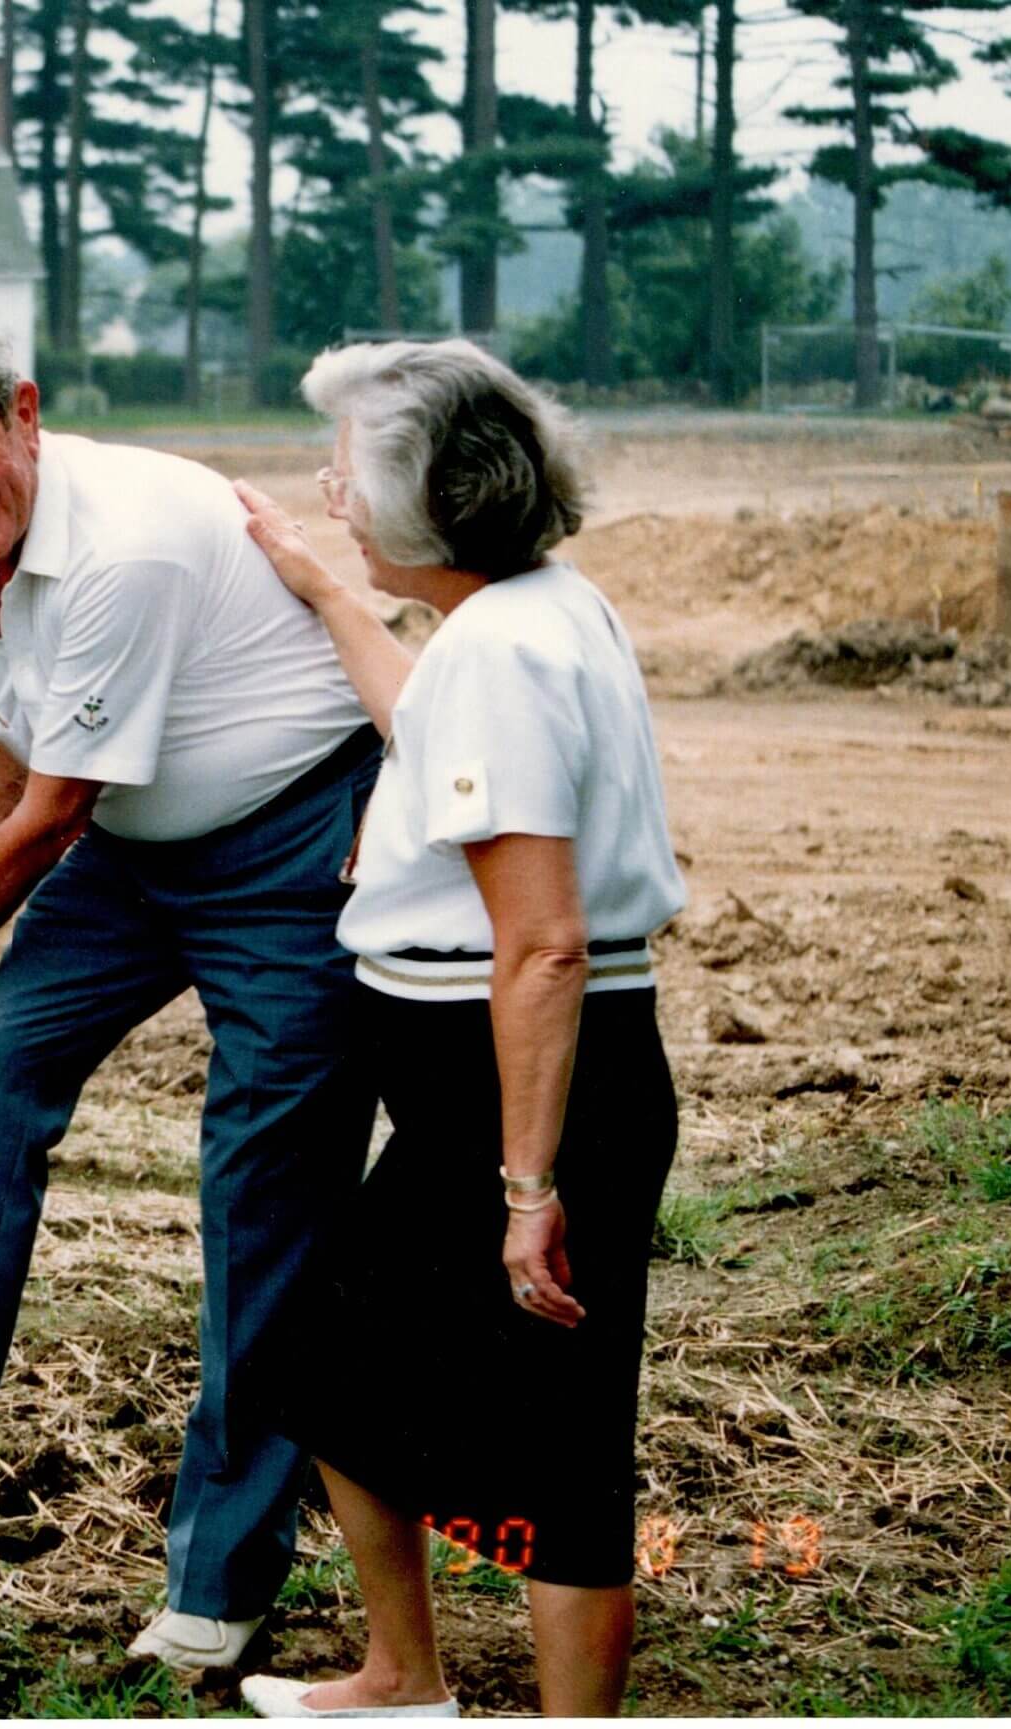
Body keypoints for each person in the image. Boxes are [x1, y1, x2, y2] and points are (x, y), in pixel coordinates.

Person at [0, 314, 383, 1677]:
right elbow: (1, 754)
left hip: (292, 844)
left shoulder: (123, 543)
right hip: (129, 849)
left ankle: (220, 1581)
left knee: (263, 1183)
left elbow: (47, 817)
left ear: (24, 413)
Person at [223, 340, 686, 1720]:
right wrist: (322, 587)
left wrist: (527, 1188)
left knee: (557, 1433)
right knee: (338, 1370)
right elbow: (426, 726)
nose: (336, 499)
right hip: (499, 1082)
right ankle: (399, 1676)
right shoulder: (535, 609)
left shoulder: (498, 650)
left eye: (350, 477)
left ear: (436, 497)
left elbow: (542, 946)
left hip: (527, 1086)